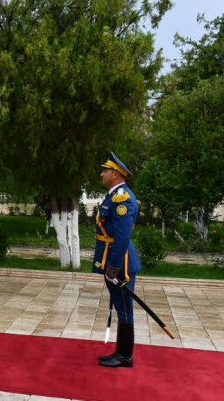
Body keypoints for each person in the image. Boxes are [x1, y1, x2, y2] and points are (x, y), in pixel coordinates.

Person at [93, 152, 141, 368]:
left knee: (124, 308)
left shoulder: (122, 198)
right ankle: (121, 353)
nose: (101, 174)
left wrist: (113, 267)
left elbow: (122, 237)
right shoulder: (114, 195)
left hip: (120, 262)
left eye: (105, 170)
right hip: (114, 259)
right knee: (122, 307)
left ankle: (124, 356)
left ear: (114, 173)